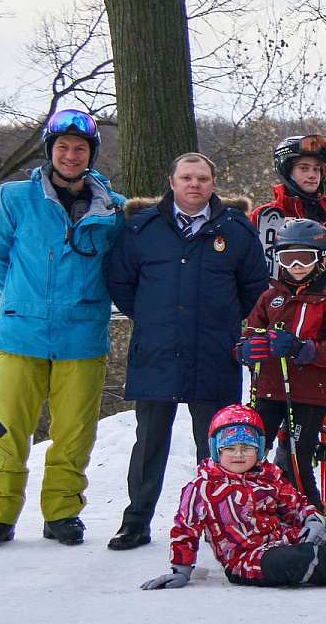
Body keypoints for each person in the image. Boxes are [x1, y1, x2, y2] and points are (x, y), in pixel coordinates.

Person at [0, 109, 126, 549]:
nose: (71, 155)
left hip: (82, 337)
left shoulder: (111, 208)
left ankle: (62, 513)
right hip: (20, 336)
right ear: (50, 151)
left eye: (80, 148)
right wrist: (23, 302)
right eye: (63, 147)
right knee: (5, 428)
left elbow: (119, 269)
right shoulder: (15, 198)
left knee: (75, 433)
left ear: (91, 154)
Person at [106, 153, 267, 551]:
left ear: (213, 183)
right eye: (186, 178)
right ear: (173, 182)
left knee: (215, 443)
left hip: (213, 351)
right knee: (149, 442)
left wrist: (219, 321)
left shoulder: (237, 230)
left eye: (203, 178)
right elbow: (120, 283)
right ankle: (136, 522)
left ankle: (216, 522)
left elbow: (254, 290)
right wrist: (153, 317)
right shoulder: (141, 228)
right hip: (156, 351)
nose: (194, 185)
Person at [141, 406, 326, 590]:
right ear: (214, 450)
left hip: (284, 539)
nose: (239, 455)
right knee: (299, 560)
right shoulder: (202, 488)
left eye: (247, 448)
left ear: (259, 449)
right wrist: (181, 569)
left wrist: (311, 519)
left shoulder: (268, 475)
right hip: (247, 559)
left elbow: (294, 502)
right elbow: (184, 530)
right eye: (229, 448)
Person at [237, 218, 326, 511]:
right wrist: (245, 350)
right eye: (288, 257)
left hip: (306, 395)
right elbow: (249, 334)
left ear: (322, 259)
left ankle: (309, 514)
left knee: (296, 455)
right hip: (267, 391)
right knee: (250, 451)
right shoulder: (271, 297)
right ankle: (253, 509)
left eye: (306, 257)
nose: (297, 264)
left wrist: (303, 350)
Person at [254, 134, 326, 261]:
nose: (312, 175)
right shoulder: (264, 216)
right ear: (287, 171)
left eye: (316, 169)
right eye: (304, 168)